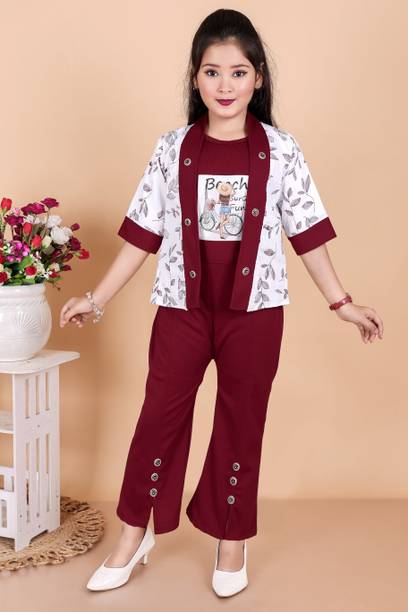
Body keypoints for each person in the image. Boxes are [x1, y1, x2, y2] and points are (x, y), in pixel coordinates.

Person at [59, 8, 384, 598]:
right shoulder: (172, 148)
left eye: (238, 72)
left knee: (242, 423)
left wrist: (342, 303)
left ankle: (231, 540)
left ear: (258, 78)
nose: (225, 85)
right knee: (158, 417)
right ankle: (134, 535)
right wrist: (95, 298)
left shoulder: (281, 151)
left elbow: (307, 233)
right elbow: (143, 234)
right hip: (182, 309)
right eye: (212, 72)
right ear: (195, 77)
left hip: (255, 314)